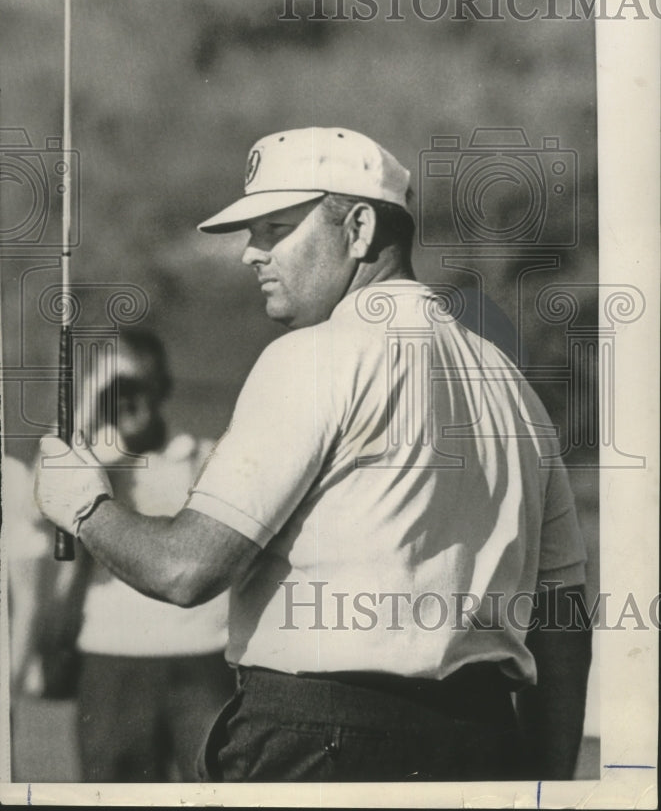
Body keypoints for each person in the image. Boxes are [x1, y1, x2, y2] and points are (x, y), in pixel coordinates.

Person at [35, 127, 592, 783]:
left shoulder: (313, 356)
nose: (249, 254)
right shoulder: (510, 385)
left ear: (358, 229)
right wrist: (542, 787)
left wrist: (83, 503)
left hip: (316, 744)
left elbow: (184, 570)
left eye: (275, 228)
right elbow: (561, 625)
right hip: (481, 747)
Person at [32, 328, 234, 782]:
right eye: (114, 390)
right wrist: (86, 405)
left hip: (202, 656)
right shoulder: (86, 460)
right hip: (111, 658)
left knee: (214, 788)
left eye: (137, 385)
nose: (126, 400)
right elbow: (39, 496)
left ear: (162, 387)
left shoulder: (201, 456)